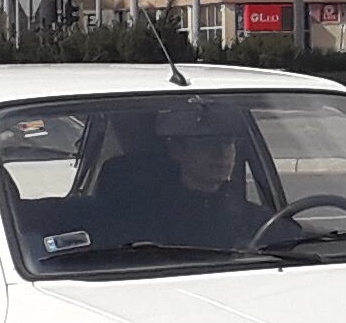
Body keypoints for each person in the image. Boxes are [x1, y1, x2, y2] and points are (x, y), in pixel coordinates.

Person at [96, 104, 293, 250]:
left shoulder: (254, 218)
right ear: (176, 150)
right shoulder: (148, 219)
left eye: (228, 143)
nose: (221, 153)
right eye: (205, 143)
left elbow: (296, 243)